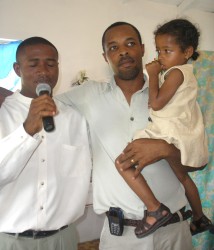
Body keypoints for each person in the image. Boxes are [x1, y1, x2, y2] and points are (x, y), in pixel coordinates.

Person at [56, 22, 193, 249]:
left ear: (142, 48)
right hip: (121, 238)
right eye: (113, 47)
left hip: (173, 233)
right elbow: (41, 106)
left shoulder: (171, 94)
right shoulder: (88, 94)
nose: (123, 51)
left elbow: (197, 161)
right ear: (105, 56)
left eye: (130, 44)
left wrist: (166, 150)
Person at [115, 18, 214, 238]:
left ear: (187, 51)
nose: (160, 56)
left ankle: (154, 210)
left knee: (123, 163)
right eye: (159, 50)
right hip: (178, 133)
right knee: (183, 178)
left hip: (168, 131)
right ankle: (199, 217)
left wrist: (151, 77)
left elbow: (156, 103)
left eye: (167, 50)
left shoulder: (176, 72)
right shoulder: (183, 72)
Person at [0, 37, 91, 250]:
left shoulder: (74, 117)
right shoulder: (3, 113)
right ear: (17, 69)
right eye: (33, 64)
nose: (43, 71)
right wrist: (26, 130)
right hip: (10, 240)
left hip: (62, 238)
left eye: (51, 64)